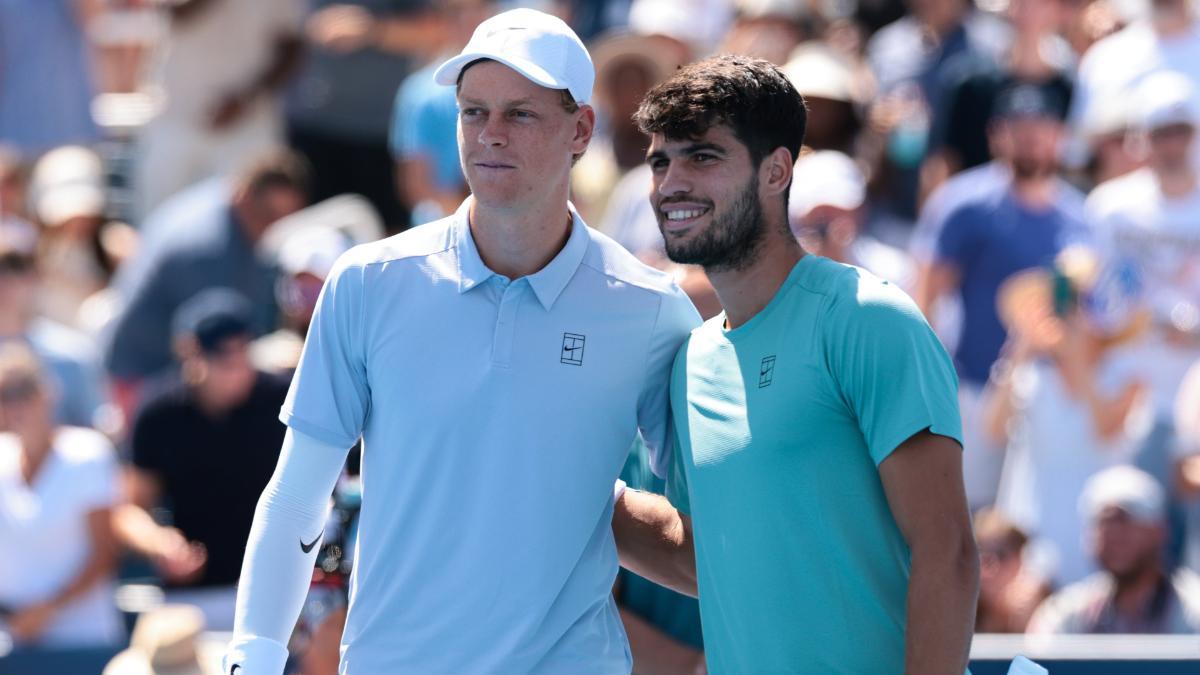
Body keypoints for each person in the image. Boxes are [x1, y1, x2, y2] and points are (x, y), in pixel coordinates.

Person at [224, 9, 698, 673]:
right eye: (473, 112)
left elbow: (711, 515)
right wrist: (252, 657)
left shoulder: (653, 312)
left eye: (519, 114)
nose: (489, 135)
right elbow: (297, 494)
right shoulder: (367, 281)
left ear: (581, 130)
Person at [615, 54, 978, 673]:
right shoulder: (690, 360)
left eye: (702, 156)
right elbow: (712, 561)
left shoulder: (867, 319)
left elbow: (946, 553)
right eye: (659, 161)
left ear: (776, 171)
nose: (671, 182)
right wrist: (579, 496)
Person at [917, 83, 1091, 511]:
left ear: (1059, 135)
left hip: (1051, 394)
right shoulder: (964, 203)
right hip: (974, 389)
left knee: (1029, 523)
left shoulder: (1079, 216)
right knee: (964, 516)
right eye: (1019, 127)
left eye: (1041, 127)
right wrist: (929, 389)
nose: (1031, 137)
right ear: (997, 134)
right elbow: (925, 297)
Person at [114, 289, 289, 631]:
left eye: (243, 355)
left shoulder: (282, 400)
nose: (238, 371)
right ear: (189, 352)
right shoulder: (158, 413)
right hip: (193, 600)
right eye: (224, 359)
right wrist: (160, 544)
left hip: (278, 591)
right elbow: (129, 509)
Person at [986, 253, 1151, 586]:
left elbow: (1105, 430)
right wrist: (1020, 350)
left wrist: (1076, 359)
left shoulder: (1128, 377)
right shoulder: (1030, 374)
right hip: (1031, 541)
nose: (1071, 313)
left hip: (1093, 545)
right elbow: (991, 429)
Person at [105, 150, 308, 404]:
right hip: (143, 380)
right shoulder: (208, 250)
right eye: (267, 214)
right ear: (244, 196)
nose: (274, 226)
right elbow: (208, 348)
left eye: (284, 217)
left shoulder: (223, 203)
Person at [0, 343, 121, 648]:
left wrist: (48, 609)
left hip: (82, 641)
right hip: (11, 641)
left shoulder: (88, 453)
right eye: (4, 396)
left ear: (47, 392)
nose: (15, 407)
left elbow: (104, 553)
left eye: (23, 392)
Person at [1027, 465, 1200, 634]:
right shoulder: (1064, 615)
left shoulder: (1193, 610)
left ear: (1159, 531)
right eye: (1103, 522)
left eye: (1125, 520)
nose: (1114, 534)